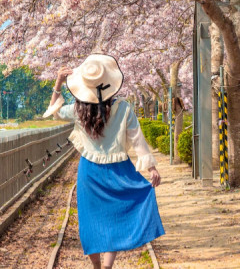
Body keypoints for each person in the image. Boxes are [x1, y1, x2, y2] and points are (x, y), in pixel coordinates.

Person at [44, 54, 164, 269]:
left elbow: (53, 112)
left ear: (82, 85)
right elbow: (137, 138)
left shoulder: (77, 110)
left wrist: (58, 83)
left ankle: (98, 267)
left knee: (91, 221)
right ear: (109, 82)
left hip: (89, 171)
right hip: (119, 169)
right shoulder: (123, 108)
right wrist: (151, 168)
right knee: (115, 217)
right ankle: (108, 266)